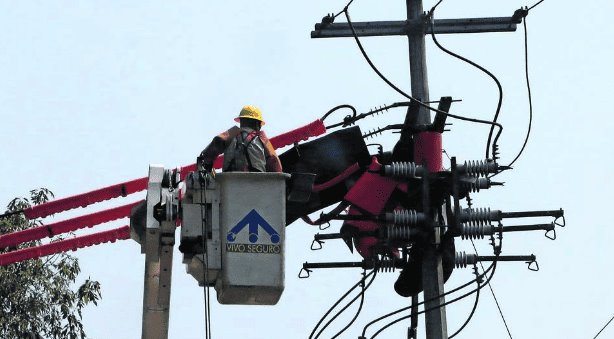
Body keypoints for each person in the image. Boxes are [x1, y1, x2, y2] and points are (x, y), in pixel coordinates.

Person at [198, 105, 282, 173]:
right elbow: (275, 164)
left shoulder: (231, 134)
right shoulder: (262, 138)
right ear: (257, 123)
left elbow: (211, 149)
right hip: (257, 183)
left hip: (230, 182)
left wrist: (207, 166)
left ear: (241, 121)